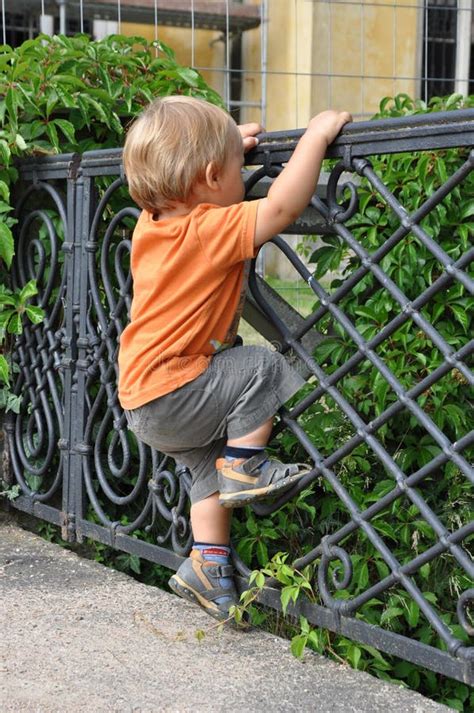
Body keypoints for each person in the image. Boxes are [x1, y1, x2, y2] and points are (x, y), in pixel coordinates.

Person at [118, 96, 351, 622]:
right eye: (231, 169)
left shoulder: (152, 224)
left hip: (141, 400)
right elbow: (282, 208)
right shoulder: (205, 228)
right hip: (176, 388)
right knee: (260, 365)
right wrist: (314, 137)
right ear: (207, 178)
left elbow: (193, 181)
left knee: (205, 466)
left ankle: (208, 564)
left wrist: (225, 152)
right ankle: (247, 468)